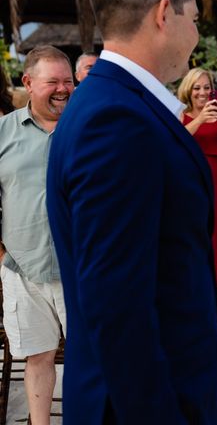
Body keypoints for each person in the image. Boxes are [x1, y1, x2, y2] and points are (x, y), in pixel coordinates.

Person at [46, 0, 217, 424]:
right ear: (164, 14)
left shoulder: (114, 104)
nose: (196, 32)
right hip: (142, 405)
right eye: (193, 16)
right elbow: (116, 305)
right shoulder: (116, 119)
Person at [0, 45, 73, 425]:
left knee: (91, 356)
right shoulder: (3, 132)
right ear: (28, 83)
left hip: (81, 271)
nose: (63, 89)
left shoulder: (87, 129)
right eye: (53, 82)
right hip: (22, 269)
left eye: (68, 81)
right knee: (38, 356)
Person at [177, 68, 217, 290]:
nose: (202, 92)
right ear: (188, 89)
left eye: (206, 87)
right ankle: (195, 283)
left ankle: (212, 281)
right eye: (197, 87)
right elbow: (175, 139)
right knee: (193, 229)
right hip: (189, 179)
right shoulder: (180, 113)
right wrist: (200, 120)